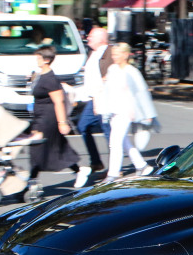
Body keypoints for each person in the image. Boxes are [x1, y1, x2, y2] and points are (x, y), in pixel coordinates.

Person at [25, 45, 89, 193]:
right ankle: (78, 170)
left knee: (41, 148)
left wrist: (62, 122)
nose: (36, 60)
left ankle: (31, 182)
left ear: (46, 60)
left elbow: (58, 101)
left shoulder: (51, 79)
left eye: (39, 58)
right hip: (40, 116)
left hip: (48, 118)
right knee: (54, 147)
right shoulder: (41, 75)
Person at [99, 43, 158, 177]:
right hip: (114, 111)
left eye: (117, 54)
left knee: (115, 142)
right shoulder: (112, 69)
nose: (114, 57)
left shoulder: (131, 71)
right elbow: (108, 90)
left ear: (125, 55)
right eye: (113, 54)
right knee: (123, 141)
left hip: (127, 111)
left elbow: (141, 92)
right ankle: (142, 166)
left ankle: (113, 173)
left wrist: (147, 114)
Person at [76, 25, 112, 174]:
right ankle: (96, 161)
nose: (88, 38)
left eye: (91, 35)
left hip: (104, 99)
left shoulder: (109, 53)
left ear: (101, 39)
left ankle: (117, 166)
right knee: (83, 126)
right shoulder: (93, 53)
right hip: (93, 99)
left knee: (109, 132)